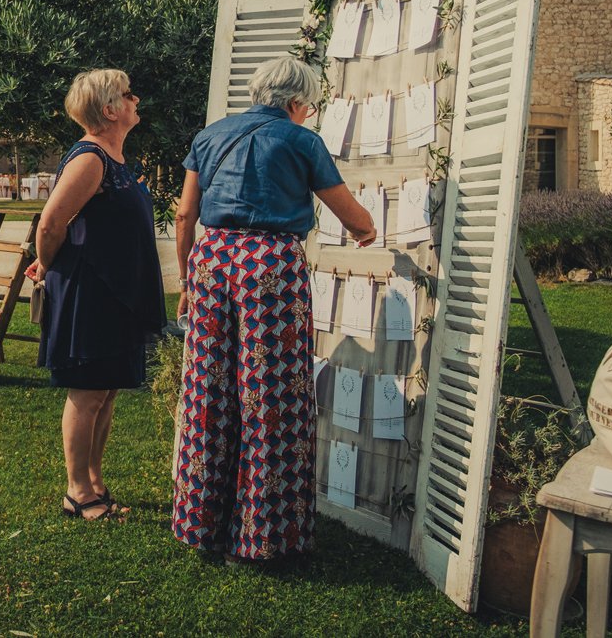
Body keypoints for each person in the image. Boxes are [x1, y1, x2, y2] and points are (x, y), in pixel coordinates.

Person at [171, 56, 375, 563]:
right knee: (271, 396)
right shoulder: (301, 141)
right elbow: (350, 214)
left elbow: (184, 214)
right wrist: (368, 230)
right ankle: (264, 534)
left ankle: (200, 524)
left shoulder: (211, 135)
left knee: (208, 390)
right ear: (296, 102)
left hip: (212, 260)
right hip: (270, 266)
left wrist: (187, 280)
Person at [25, 69, 166, 521]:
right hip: (90, 289)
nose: (136, 98)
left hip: (117, 290)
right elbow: (49, 224)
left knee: (107, 391)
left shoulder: (116, 158)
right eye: (128, 94)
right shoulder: (90, 158)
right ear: (109, 110)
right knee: (87, 393)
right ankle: (77, 491)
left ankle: (95, 480)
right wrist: (45, 264)